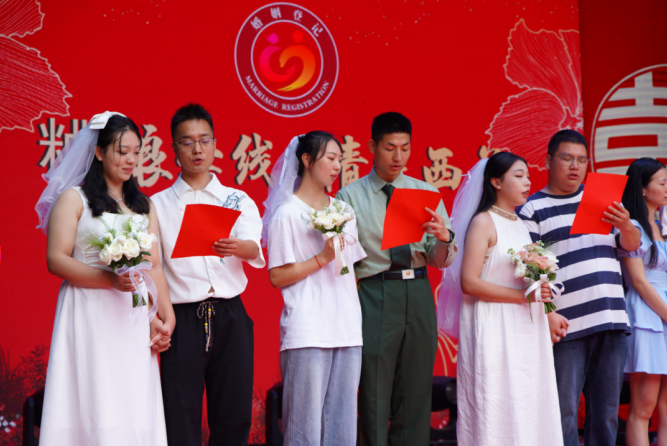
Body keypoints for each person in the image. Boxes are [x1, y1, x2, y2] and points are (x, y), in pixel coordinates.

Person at [36, 112, 175, 446]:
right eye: (122, 151)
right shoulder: (74, 198)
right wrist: (109, 280)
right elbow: (56, 259)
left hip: (131, 317)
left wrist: (164, 315)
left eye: (136, 152)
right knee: (94, 396)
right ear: (99, 152)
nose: (131, 160)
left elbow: (153, 266)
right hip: (89, 311)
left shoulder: (143, 205)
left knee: (130, 399)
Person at [336, 112, 457, 446]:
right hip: (375, 291)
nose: (398, 156)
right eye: (390, 148)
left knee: (416, 387)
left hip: (418, 290)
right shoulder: (349, 197)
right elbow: (343, 258)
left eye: (405, 148)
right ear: (372, 147)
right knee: (374, 388)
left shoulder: (426, 192)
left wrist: (444, 238)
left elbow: (440, 259)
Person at [517, 129, 642, 446]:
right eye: (567, 158)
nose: (575, 166)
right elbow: (529, 270)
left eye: (582, 160)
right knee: (564, 412)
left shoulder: (602, 199)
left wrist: (625, 224)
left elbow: (631, 246)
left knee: (606, 415)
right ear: (548, 161)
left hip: (610, 316)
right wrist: (548, 314)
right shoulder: (531, 208)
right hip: (566, 323)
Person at [151, 103, 265, 446]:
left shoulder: (237, 198)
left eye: (204, 140)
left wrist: (237, 247)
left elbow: (254, 248)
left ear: (215, 144)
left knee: (233, 413)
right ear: (174, 148)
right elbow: (152, 266)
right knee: (179, 413)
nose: (197, 149)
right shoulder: (156, 205)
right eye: (187, 142)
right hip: (182, 317)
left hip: (231, 314)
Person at [441, 152, 563, 445]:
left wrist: (547, 308)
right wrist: (523, 297)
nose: (527, 182)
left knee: (528, 398)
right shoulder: (483, 222)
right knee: (496, 399)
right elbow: (469, 282)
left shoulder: (520, 224)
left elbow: (526, 279)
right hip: (494, 324)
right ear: (496, 182)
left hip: (525, 327)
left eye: (528, 176)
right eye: (519, 176)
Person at [264, 132, 367, 445]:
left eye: (340, 159)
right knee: (303, 429)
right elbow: (277, 276)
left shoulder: (344, 211)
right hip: (307, 330)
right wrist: (322, 258)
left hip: (347, 329)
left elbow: (350, 270)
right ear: (306, 160)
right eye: (330, 158)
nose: (337, 166)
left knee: (343, 426)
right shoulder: (286, 213)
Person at [618, 158, 667, 446]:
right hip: (647, 314)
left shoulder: (662, 224)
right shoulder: (631, 226)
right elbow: (638, 281)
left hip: (663, 310)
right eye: (662, 183)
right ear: (643, 188)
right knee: (643, 407)